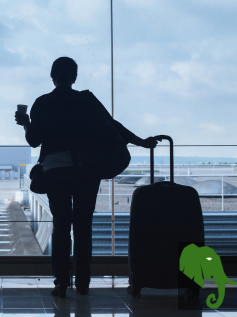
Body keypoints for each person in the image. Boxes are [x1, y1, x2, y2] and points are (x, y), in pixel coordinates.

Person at [15, 56, 157, 298]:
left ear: (52, 76)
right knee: (83, 227)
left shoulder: (43, 102)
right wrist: (141, 142)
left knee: (61, 227)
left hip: (55, 171)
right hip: (86, 171)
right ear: (74, 77)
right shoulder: (86, 100)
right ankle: (82, 283)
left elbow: (34, 140)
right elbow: (113, 126)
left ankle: (61, 282)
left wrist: (26, 123)